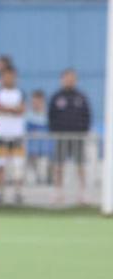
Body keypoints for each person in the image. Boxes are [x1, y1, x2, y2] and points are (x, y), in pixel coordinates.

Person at [49, 68, 91, 203]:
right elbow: (51, 116)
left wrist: (83, 131)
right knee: (59, 165)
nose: (70, 80)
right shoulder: (57, 97)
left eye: (72, 78)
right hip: (61, 137)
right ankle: (58, 192)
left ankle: (83, 193)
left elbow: (87, 115)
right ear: (62, 79)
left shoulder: (81, 97)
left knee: (80, 165)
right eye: (67, 78)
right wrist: (55, 131)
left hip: (78, 137)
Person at [0, 67, 26, 204]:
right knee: (0, 165)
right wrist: (12, 109)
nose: (9, 79)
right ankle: (0, 192)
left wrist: (6, 108)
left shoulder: (20, 93)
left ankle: (18, 192)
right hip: (2, 134)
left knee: (18, 165)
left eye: (11, 76)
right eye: (6, 76)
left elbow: (21, 109)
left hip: (17, 135)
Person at [25, 89, 52, 184]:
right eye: (34, 102)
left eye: (39, 102)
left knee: (44, 166)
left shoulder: (49, 116)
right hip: (31, 150)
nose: (36, 104)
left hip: (45, 150)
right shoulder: (28, 116)